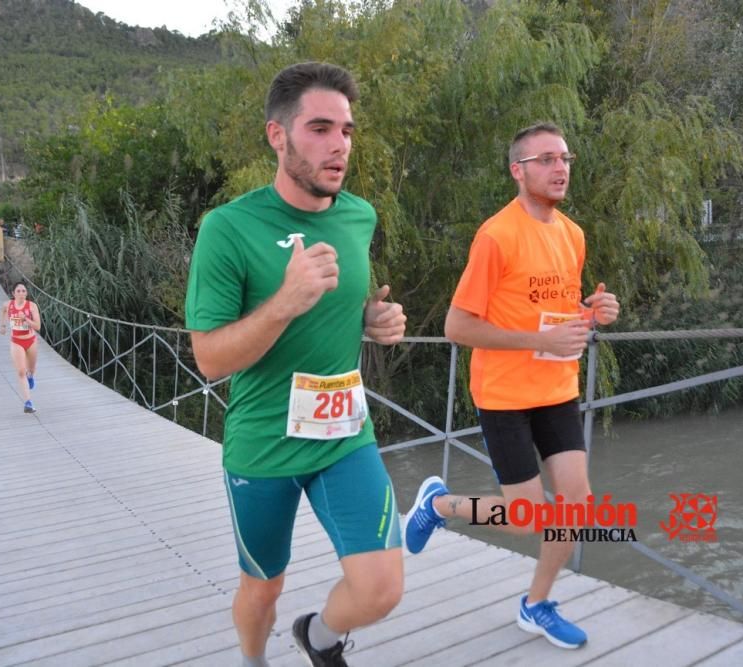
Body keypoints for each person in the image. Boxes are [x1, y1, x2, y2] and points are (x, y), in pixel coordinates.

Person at [185, 62, 408, 667]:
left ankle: (320, 636)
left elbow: (342, 304)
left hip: (343, 434)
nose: (339, 145)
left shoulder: (358, 216)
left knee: (381, 586)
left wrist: (370, 319)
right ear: (277, 136)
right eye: (319, 128)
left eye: (347, 130)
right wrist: (283, 303)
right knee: (263, 588)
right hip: (263, 445)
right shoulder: (227, 229)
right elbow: (208, 358)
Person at [403, 122, 620, 650]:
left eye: (564, 157)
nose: (560, 167)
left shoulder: (572, 234)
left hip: (557, 388)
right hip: (504, 395)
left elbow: (555, 308)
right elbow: (457, 326)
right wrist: (533, 337)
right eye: (545, 159)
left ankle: (536, 604)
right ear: (517, 171)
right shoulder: (496, 235)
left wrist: (593, 312)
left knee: (576, 505)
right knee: (525, 519)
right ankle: (438, 506)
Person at [0, 283, 41, 413]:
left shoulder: (31, 306)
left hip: (31, 341)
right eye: (19, 291)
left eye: (24, 291)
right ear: (13, 293)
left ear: (26, 293)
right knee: (21, 371)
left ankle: (30, 375)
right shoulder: (8, 305)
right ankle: (28, 402)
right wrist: (3, 325)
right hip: (16, 342)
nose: (21, 293)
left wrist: (26, 319)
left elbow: (38, 326)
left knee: (31, 369)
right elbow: (3, 311)